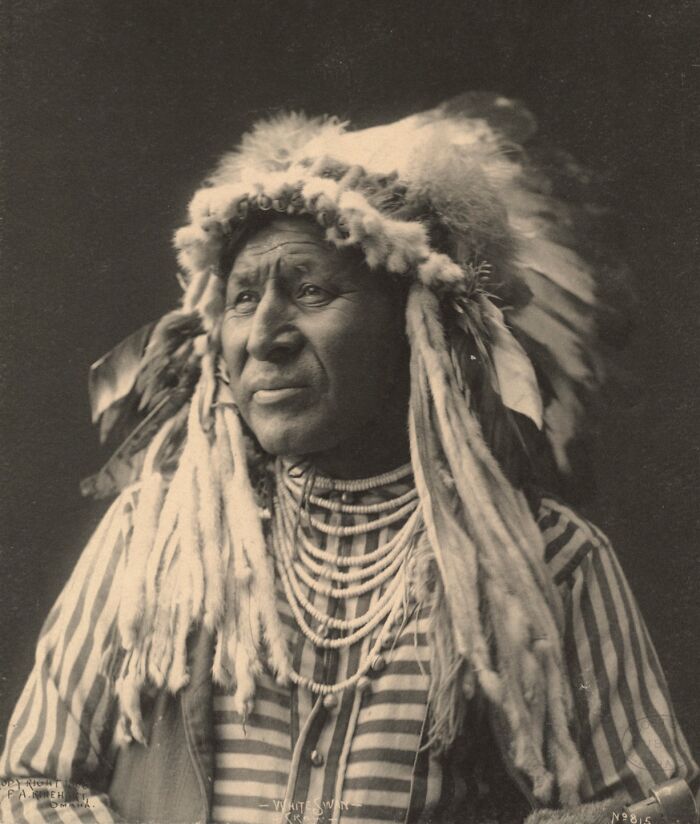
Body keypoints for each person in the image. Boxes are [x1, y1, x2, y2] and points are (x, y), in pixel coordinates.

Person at [1, 93, 697, 824]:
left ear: (413, 327)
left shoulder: (542, 563)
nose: (264, 334)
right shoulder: (156, 537)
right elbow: (30, 784)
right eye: (241, 298)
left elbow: (644, 810)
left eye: (309, 291)